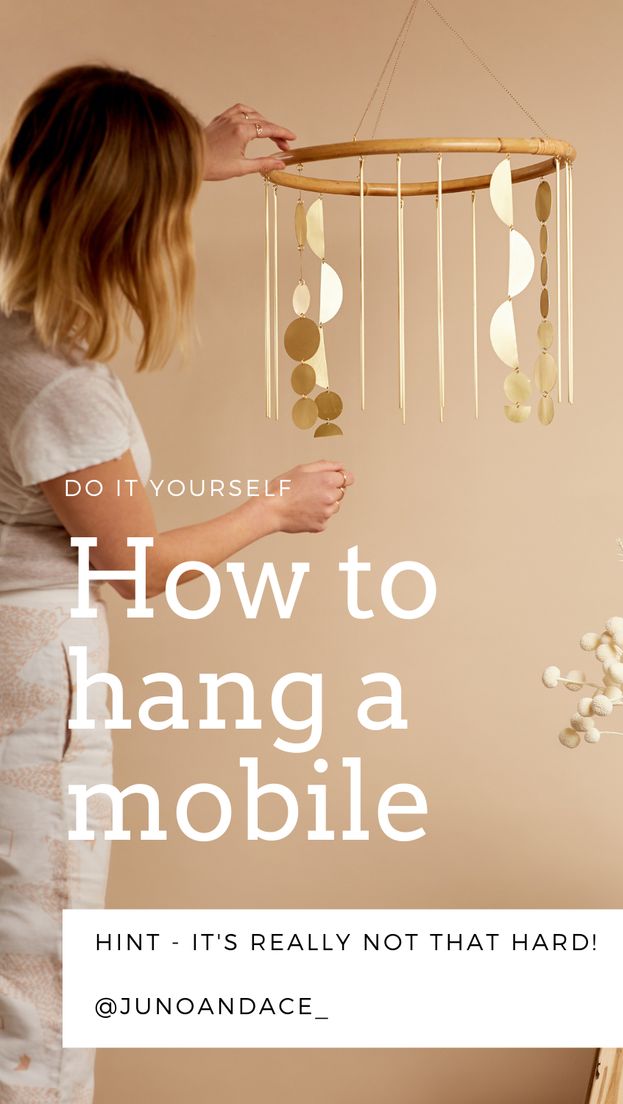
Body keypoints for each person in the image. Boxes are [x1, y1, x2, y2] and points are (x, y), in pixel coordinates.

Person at [0, 64, 353, 1102]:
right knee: (40, 980)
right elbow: (136, 570)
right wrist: (272, 510)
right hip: (31, 694)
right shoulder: (59, 387)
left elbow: (67, 184)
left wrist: (182, 158)